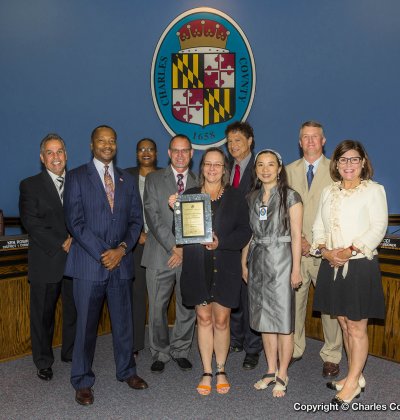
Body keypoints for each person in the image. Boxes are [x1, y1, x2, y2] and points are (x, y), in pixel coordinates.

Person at [64, 125, 148, 406]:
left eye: (112, 140)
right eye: (102, 141)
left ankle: (127, 371)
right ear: (92, 145)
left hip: (121, 264)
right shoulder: (76, 177)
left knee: (124, 323)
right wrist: (105, 253)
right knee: (86, 327)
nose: (107, 145)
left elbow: (136, 221)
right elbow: (75, 223)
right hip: (90, 264)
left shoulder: (126, 179)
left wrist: (122, 249)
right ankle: (82, 380)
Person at [169, 147, 252, 395]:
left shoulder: (236, 197)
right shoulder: (190, 195)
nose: (212, 169)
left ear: (224, 169)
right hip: (196, 266)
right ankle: (207, 371)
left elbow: (245, 232)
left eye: (217, 165)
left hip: (225, 266)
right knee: (203, 319)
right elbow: (179, 233)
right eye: (208, 164)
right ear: (202, 167)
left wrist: (221, 243)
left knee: (222, 320)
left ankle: (222, 368)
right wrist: (177, 212)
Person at [311, 140, 388, 405]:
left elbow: (378, 227)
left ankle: (353, 382)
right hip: (331, 264)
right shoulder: (328, 192)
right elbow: (318, 226)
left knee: (357, 327)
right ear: (336, 164)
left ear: (363, 162)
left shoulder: (374, 191)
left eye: (354, 159)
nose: (349, 165)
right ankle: (355, 375)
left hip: (359, 265)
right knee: (343, 322)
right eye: (343, 160)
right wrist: (324, 250)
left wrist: (348, 251)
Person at [242, 149, 303, 398]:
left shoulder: (291, 196)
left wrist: (296, 268)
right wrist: (243, 263)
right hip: (257, 260)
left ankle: (283, 373)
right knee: (264, 320)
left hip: (282, 261)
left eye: (271, 165)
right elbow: (250, 235)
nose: (265, 169)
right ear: (255, 169)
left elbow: (297, 236)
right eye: (260, 165)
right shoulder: (251, 197)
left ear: (279, 168)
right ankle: (269, 369)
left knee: (283, 321)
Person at [286, 121, 343, 378]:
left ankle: (331, 355)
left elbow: (341, 212)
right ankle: (296, 349)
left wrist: (318, 244)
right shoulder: (287, 171)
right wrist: (299, 240)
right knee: (295, 303)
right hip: (297, 250)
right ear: (299, 142)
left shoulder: (337, 170)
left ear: (323, 141)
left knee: (330, 308)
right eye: (305, 137)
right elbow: (282, 210)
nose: (310, 141)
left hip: (326, 251)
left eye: (315, 137)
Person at [19, 133, 76, 381]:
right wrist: (61, 243)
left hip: (76, 257)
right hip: (47, 257)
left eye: (60, 151)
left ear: (66, 155)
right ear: (43, 158)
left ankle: (71, 353)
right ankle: (43, 360)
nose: (56, 157)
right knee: (43, 314)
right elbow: (31, 222)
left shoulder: (78, 182)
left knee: (74, 310)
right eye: (50, 153)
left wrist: (76, 239)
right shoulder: (29, 185)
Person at [142, 134, 197, 374]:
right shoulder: (154, 179)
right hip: (159, 254)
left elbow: (202, 221)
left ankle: (181, 350)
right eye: (176, 150)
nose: (180, 154)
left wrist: (184, 249)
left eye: (185, 150)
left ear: (192, 153)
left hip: (189, 256)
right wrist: (174, 246)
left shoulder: (200, 180)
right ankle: (160, 352)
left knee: (188, 306)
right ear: (168, 152)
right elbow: (152, 216)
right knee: (157, 307)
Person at [225, 121, 263, 370]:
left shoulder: (259, 168)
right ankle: (236, 338)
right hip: (229, 242)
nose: (233, 145)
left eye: (238, 140)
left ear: (250, 141)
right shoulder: (225, 168)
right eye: (229, 142)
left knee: (251, 297)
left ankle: (253, 347)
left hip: (253, 240)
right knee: (233, 293)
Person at [125, 138, 159, 356]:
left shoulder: (165, 176)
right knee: (136, 295)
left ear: (157, 153)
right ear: (136, 153)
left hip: (160, 244)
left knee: (160, 297)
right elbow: (118, 210)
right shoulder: (125, 176)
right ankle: (136, 343)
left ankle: (161, 345)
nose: (145, 152)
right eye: (141, 149)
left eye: (150, 149)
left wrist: (155, 237)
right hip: (135, 245)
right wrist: (137, 234)